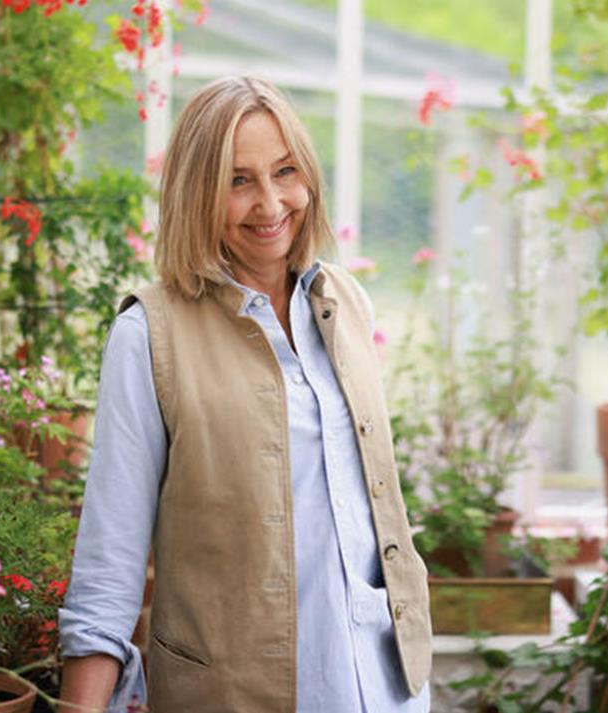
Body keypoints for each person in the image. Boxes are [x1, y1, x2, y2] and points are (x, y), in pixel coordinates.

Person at [57, 76, 432, 713]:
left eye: (285, 171)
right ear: (197, 193)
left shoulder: (345, 300)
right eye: (238, 181)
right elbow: (110, 561)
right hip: (235, 696)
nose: (270, 203)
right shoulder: (149, 334)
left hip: (385, 687)